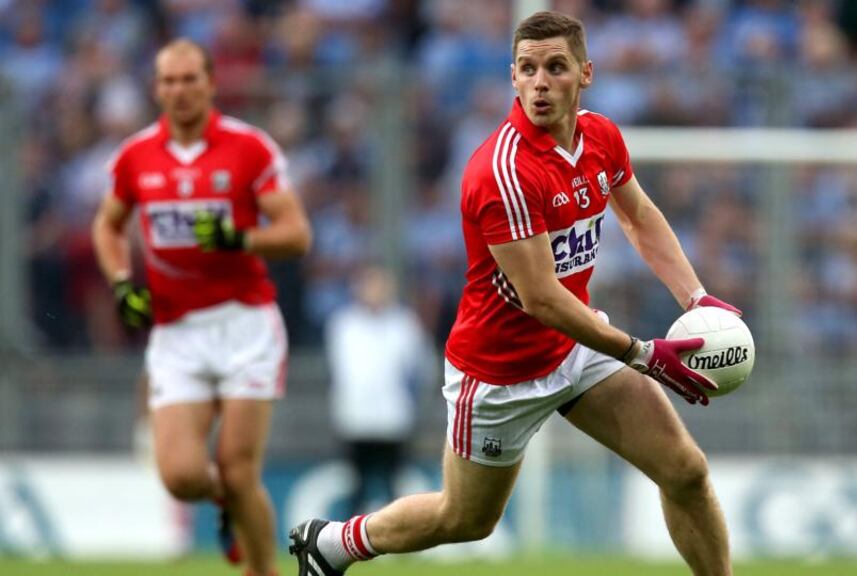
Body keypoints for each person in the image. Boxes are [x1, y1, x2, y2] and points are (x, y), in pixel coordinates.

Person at [288, 11, 737, 575]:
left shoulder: (600, 137)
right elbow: (541, 298)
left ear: (587, 73)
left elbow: (640, 216)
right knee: (466, 519)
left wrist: (696, 298)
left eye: (555, 67)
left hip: (576, 346)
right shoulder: (503, 171)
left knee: (685, 470)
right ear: (513, 76)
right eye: (527, 69)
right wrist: (644, 354)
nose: (540, 82)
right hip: (500, 374)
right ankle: (334, 543)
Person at [92, 38, 312, 576]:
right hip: (176, 330)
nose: (180, 90)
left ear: (211, 83)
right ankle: (223, 506)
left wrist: (240, 238)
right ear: (156, 89)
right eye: (169, 81)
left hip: (245, 324)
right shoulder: (136, 155)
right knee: (182, 476)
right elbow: (107, 225)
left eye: (190, 79)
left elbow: (296, 233)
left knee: (239, 470)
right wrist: (122, 283)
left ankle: (264, 570)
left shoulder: (249, 148)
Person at [324, 264, 433, 516]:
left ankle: (398, 539)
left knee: (394, 483)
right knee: (357, 485)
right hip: (354, 417)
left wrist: (413, 403)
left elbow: (421, 368)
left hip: (393, 417)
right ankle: (351, 542)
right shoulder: (343, 324)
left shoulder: (404, 323)